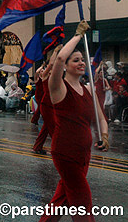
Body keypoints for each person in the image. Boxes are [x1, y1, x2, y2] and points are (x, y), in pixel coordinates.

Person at [39, 21, 108, 222]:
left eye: (82, 60)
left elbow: (101, 118)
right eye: (75, 60)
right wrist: (78, 34)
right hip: (65, 153)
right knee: (82, 201)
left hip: (83, 155)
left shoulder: (89, 89)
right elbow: (59, 57)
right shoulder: (58, 87)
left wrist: (104, 136)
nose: (81, 63)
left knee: (60, 202)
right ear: (66, 66)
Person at [32, 46, 61, 155]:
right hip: (45, 104)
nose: (49, 71)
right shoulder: (43, 76)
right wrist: (55, 51)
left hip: (52, 104)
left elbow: (56, 65)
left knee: (46, 128)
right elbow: (52, 64)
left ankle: (37, 147)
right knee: (53, 126)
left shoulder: (54, 76)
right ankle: (58, 148)